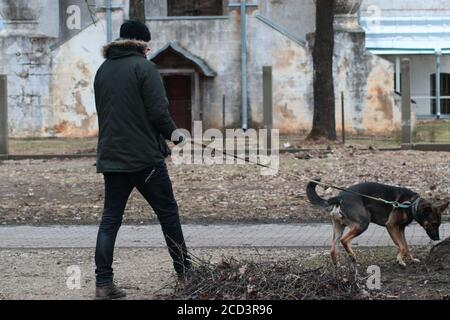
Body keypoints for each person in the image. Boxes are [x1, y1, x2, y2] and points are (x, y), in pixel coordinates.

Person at [93, 20, 190, 300]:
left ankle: (103, 284)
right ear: (139, 43)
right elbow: (158, 111)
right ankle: (185, 275)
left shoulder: (102, 70)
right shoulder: (145, 68)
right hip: (144, 160)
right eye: (147, 43)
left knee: (110, 219)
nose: (149, 48)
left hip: (112, 158)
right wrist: (173, 133)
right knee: (168, 214)